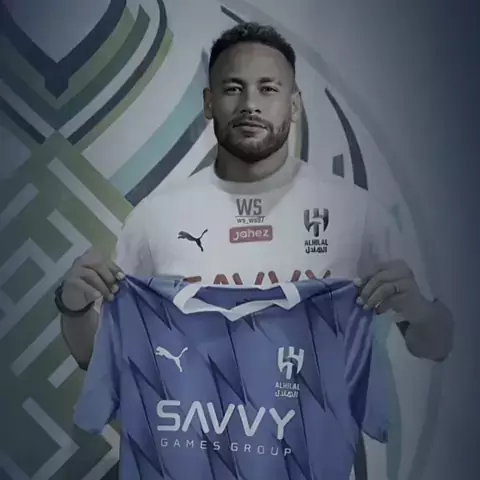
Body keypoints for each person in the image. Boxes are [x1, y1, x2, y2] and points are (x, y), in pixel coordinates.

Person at [56, 22, 453, 371]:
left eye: (267, 89)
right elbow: (97, 358)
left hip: (320, 437)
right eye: (233, 89)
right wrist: (74, 307)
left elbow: (437, 345)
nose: (250, 105)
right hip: (193, 435)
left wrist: (419, 311)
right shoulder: (155, 218)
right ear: (209, 103)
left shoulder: (355, 213)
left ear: (294, 104)